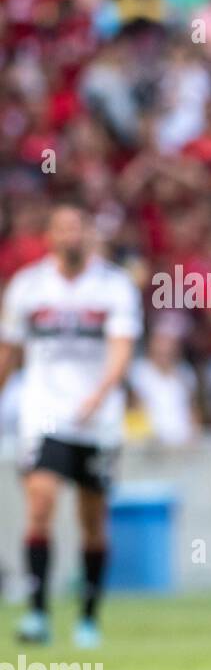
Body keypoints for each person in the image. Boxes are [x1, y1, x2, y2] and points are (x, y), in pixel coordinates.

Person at [0, 202, 142, 647]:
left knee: (91, 520)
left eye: (78, 228)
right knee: (40, 504)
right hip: (42, 412)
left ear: (89, 235)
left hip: (97, 419)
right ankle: (38, 613)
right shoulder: (27, 286)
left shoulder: (114, 286)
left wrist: (100, 394)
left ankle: (88, 617)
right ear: (49, 236)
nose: (70, 236)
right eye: (61, 228)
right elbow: (10, 350)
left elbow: (121, 347)